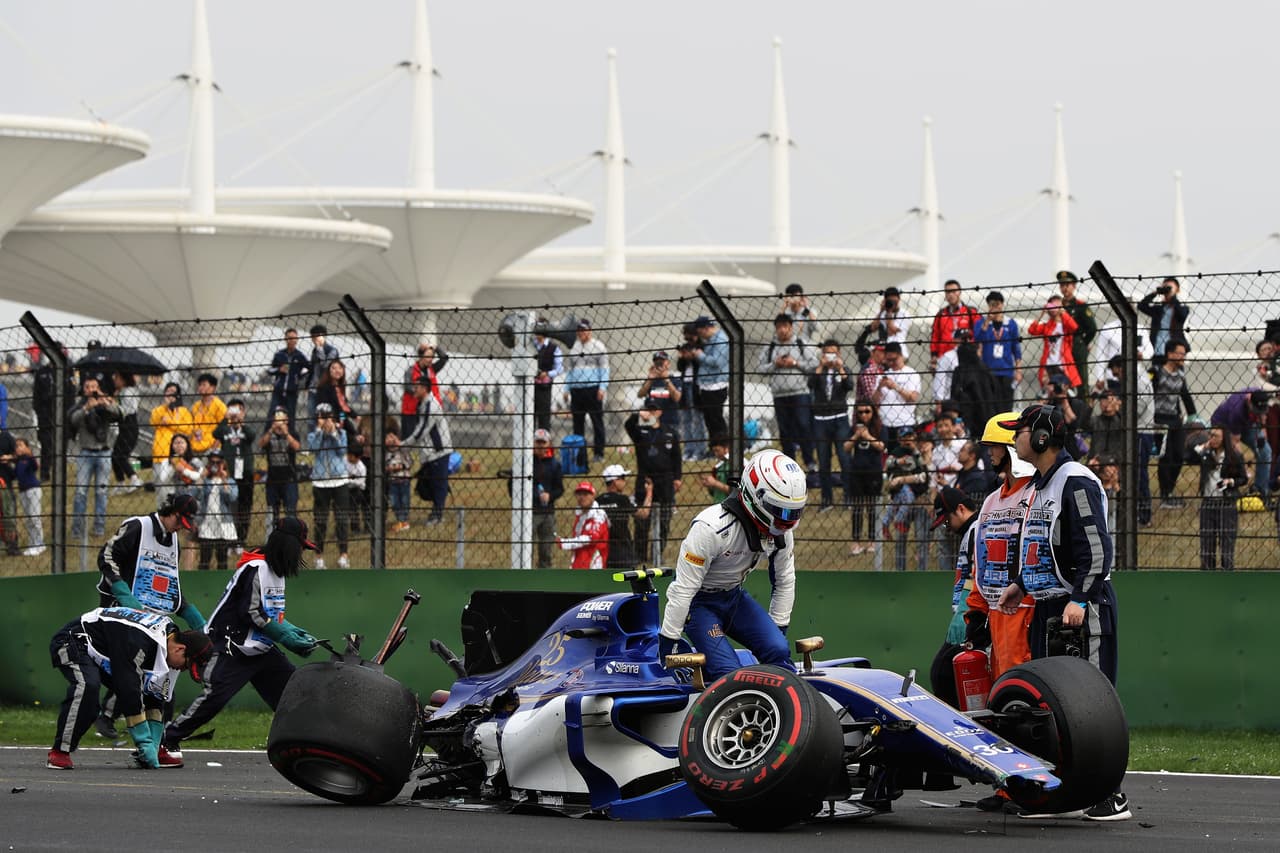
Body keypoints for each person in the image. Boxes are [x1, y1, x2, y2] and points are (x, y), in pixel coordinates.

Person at [994, 403, 1129, 822]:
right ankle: (1057, 792)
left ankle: (1111, 794)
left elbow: (1096, 549)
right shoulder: (1040, 484)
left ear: (1041, 437)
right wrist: (1020, 582)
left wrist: (1081, 598)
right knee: (1050, 703)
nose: (1015, 439)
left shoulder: (1076, 481)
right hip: (1049, 605)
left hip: (1079, 607)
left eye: (1020, 432)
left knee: (1092, 700)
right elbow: (1039, 542)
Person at [163, 518, 321, 758]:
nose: (301, 552)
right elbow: (250, 612)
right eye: (300, 546)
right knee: (214, 699)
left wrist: (294, 631)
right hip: (230, 645)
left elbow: (272, 615)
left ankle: (305, 744)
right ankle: (166, 739)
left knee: (291, 693)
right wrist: (285, 637)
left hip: (260, 648)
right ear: (287, 544)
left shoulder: (276, 572)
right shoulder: (256, 568)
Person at [658, 449, 806, 680]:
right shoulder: (710, 528)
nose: (787, 520)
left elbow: (785, 580)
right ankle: (705, 679)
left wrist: (779, 630)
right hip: (699, 605)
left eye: (795, 512)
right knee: (729, 674)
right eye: (782, 511)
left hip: (734, 599)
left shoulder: (782, 532)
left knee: (778, 650)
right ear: (756, 496)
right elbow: (683, 590)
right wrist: (669, 641)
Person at [94, 492, 205, 747]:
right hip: (120, 609)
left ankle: (113, 717)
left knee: (147, 670)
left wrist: (190, 613)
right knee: (132, 667)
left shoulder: (173, 541)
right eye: (180, 520)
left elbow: (168, 584)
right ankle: (108, 716)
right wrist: (123, 594)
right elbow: (106, 557)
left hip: (151, 617)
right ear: (171, 511)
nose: (180, 527)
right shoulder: (137, 526)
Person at [47, 607, 211, 770]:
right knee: (87, 687)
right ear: (179, 649)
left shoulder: (169, 641)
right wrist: (143, 740)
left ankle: (157, 749)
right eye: (187, 665)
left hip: (107, 651)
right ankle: (60, 751)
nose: (183, 670)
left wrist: (152, 745)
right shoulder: (140, 641)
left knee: (164, 696)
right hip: (74, 640)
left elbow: (156, 696)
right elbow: (128, 687)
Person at [625, 397, 682, 565]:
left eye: (654, 409)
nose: (651, 412)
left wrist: (678, 478)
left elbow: (677, 457)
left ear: (660, 412)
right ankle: (640, 556)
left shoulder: (670, 432)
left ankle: (657, 554)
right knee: (642, 521)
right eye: (648, 409)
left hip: (666, 480)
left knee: (664, 521)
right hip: (645, 478)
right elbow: (628, 425)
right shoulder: (639, 431)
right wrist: (637, 416)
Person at [757, 314, 818, 469]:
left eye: (786, 326)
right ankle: (789, 464)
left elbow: (814, 364)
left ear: (791, 327)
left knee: (804, 426)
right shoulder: (770, 347)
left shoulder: (801, 343)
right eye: (779, 327)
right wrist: (775, 364)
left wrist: (795, 363)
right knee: (785, 430)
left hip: (800, 392)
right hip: (779, 394)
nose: (782, 330)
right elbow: (760, 369)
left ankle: (809, 460)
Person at [69, 375, 122, 540]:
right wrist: (86, 408)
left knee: (101, 491)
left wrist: (106, 402)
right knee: (80, 492)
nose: (91, 390)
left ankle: (99, 528)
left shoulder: (105, 403)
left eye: (94, 386)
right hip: (85, 452)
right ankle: (77, 529)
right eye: (88, 387)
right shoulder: (80, 404)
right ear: (84, 390)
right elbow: (73, 420)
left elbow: (120, 413)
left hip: (104, 452)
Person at [1190, 425, 1248, 571]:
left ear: (1224, 439)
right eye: (1211, 435)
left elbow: (1243, 478)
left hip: (1226, 502)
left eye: (1216, 436)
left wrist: (1231, 482)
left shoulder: (1233, 456)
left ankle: (1227, 573)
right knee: (1207, 543)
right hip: (1208, 502)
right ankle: (1208, 573)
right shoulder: (1206, 453)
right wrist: (1203, 446)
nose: (1212, 439)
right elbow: (1187, 455)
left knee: (1227, 543)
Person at [306, 402, 350, 570]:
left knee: (341, 519)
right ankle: (318, 556)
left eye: (327, 416)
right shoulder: (313, 435)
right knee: (321, 521)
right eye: (321, 416)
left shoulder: (341, 433)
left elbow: (341, 450)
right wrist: (320, 431)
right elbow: (314, 449)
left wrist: (332, 432)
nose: (325, 420)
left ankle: (343, 555)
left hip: (340, 480)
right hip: (321, 481)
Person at [810, 339, 853, 510]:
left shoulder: (844, 369)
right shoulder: (817, 371)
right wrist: (821, 367)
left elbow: (849, 385)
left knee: (844, 457)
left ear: (839, 354)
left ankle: (848, 497)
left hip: (840, 418)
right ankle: (826, 499)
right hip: (821, 420)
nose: (830, 355)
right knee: (823, 460)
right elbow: (810, 384)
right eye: (827, 352)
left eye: (833, 352)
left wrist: (840, 368)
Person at [1211, 388, 1274, 502]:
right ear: (1249, 402)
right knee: (1232, 457)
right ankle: (1226, 489)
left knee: (1265, 451)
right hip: (1225, 425)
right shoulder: (1237, 410)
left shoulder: (1260, 395)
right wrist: (1242, 466)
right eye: (1256, 411)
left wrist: (1262, 435)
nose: (1260, 413)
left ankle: (1260, 490)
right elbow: (1235, 442)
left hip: (1248, 424)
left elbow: (1263, 417)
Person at [405, 376, 453, 525]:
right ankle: (437, 509)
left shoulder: (431, 406)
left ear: (425, 388)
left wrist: (402, 445)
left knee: (437, 485)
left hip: (438, 452)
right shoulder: (423, 404)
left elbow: (421, 432)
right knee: (426, 486)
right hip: (430, 453)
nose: (414, 389)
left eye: (417, 387)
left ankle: (437, 515)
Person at [1153, 340, 1196, 507]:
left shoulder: (1181, 373)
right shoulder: (1157, 372)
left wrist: (1193, 415)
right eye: (1180, 353)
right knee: (1166, 456)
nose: (1183, 357)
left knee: (1178, 455)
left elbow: (1184, 394)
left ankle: (1170, 490)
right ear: (1169, 354)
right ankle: (1165, 494)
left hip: (1175, 418)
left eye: (1184, 354)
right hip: (1159, 419)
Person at [212, 399, 255, 552]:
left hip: (246, 473)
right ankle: (230, 539)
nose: (236, 414)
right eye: (233, 410)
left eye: (239, 411)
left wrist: (241, 424)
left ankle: (241, 540)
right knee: (229, 507)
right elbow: (215, 433)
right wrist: (226, 418)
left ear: (243, 412)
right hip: (229, 474)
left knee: (244, 506)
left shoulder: (245, 429)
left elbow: (252, 436)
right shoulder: (225, 430)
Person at [565, 319, 610, 463]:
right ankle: (580, 454)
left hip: (593, 389)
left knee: (597, 422)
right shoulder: (574, 347)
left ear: (590, 331)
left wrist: (602, 387)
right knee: (577, 423)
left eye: (584, 330)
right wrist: (567, 388)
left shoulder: (598, 346)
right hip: (577, 390)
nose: (581, 333)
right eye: (579, 330)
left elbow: (604, 369)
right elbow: (570, 370)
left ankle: (599, 453)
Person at [845, 399, 886, 555]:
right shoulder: (854, 428)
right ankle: (856, 541)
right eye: (860, 412)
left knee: (872, 508)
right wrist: (856, 435)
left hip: (874, 472)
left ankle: (872, 540)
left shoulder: (880, 428)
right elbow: (846, 447)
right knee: (857, 508)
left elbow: (882, 446)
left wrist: (868, 436)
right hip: (857, 472)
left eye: (867, 411)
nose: (864, 415)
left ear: (873, 412)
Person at [973, 291, 1023, 412]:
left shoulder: (1010, 324)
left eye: (997, 304)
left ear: (1002, 304)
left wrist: (1018, 370)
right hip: (988, 371)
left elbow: (1016, 348)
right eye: (992, 304)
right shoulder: (982, 322)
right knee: (990, 406)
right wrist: (987, 323)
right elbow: (977, 339)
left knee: (1006, 406)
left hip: (1006, 371)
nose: (995, 307)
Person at [595, 464, 651, 569]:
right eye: (623, 478)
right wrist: (649, 492)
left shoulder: (598, 500)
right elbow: (644, 513)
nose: (625, 482)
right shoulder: (622, 500)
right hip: (622, 549)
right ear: (615, 481)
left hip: (602, 549)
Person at [1027, 295, 1081, 392]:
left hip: (1063, 365)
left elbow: (1074, 327)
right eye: (1052, 304)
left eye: (1057, 304)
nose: (1054, 307)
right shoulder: (1047, 326)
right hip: (1049, 365)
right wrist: (1042, 313)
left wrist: (1063, 312)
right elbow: (1032, 330)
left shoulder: (1065, 326)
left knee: (1066, 392)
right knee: (1049, 393)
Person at [259, 408, 301, 535]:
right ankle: (272, 537)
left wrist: (286, 433)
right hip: (273, 479)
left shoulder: (292, 432)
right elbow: (261, 444)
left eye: (281, 419)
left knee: (290, 511)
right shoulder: (269, 434)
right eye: (276, 418)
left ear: (286, 420)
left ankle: (292, 536)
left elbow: (297, 447)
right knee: (272, 511)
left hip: (289, 478)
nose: (279, 422)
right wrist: (271, 430)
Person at [195, 451, 239, 571]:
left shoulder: (230, 481)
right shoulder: (206, 481)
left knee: (222, 558)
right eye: (212, 462)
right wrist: (202, 477)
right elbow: (194, 494)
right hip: (207, 522)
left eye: (218, 462)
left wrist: (224, 479)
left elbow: (232, 498)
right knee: (205, 558)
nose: (215, 465)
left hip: (223, 522)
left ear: (223, 463)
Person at [1055, 271, 1098, 394]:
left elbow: (1092, 328)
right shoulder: (1057, 306)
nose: (1065, 288)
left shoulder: (1080, 306)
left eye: (1068, 285)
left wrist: (1083, 343)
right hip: (1060, 345)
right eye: (1062, 285)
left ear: (1074, 286)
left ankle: (1082, 407)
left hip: (1076, 345)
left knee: (1080, 380)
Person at [529, 428, 564, 569]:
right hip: (529, 511)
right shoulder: (526, 462)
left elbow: (560, 488)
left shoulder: (555, 465)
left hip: (548, 512)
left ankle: (545, 572)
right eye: (538, 442)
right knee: (526, 546)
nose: (540, 445)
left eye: (543, 442)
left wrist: (550, 495)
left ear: (549, 444)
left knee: (546, 548)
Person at [929, 278, 982, 370]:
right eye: (948, 292)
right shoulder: (941, 314)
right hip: (944, 357)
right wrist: (934, 356)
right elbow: (935, 336)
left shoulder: (971, 312)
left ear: (960, 292)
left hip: (966, 357)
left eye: (954, 291)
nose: (951, 294)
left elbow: (978, 334)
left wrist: (976, 350)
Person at [874, 342, 921, 443]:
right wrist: (879, 387)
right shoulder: (883, 375)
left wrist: (896, 387)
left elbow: (913, 397)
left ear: (901, 356)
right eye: (888, 360)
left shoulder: (912, 374)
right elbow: (874, 401)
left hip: (904, 422)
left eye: (894, 359)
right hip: (885, 424)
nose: (891, 363)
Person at [692, 315, 730, 442]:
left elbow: (717, 361)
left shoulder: (721, 340)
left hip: (716, 385)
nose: (700, 336)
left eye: (700, 332)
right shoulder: (710, 340)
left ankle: (722, 444)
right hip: (707, 384)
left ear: (706, 328)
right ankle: (715, 445)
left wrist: (700, 356)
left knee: (715, 418)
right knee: (709, 419)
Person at [401, 342, 448, 440]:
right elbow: (407, 386)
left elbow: (444, 358)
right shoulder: (411, 370)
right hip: (412, 411)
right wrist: (421, 392)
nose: (431, 359)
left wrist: (435, 347)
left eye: (432, 357)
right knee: (409, 438)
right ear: (421, 356)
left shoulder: (432, 369)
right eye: (428, 356)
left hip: (430, 409)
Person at [557, 481, 610, 569]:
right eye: (579, 494)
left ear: (593, 496)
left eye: (585, 494)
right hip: (579, 562)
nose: (582, 497)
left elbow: (591, 538)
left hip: (594, 564)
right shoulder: (580, 516)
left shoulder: (598, 515)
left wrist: (566, 543)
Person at [1137, 276, 1189, 356]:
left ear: (1177, 290)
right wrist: (1155, 293)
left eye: (1169, 287)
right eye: (1165, 287)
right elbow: (1141, 306)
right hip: (1157, 347)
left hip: (1174, 349)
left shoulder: (1182, 308)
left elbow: (1181, 315)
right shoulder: (1158, 309)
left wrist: (1172, 297)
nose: (1167, 289)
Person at [269, 328, 309, 431]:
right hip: (278, 390)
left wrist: (299, 377)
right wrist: (279, 369)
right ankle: (268, 439)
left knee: (290, 418)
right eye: (290, 338)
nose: (292, 341)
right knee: (272, 416)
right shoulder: (279, 355)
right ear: (285, 339)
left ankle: (290, 441)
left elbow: (309, 368)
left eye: (295, 338)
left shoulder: (300, 356)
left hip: (292, 392)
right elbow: (270, 370)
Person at [109, 371, 143, 493]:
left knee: (121, 455)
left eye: (117, 377)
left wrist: (114, 404)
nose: (114, 379)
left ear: (123, 379)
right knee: (115, 456)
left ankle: (134, 478)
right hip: (124, 426)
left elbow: (128, 410)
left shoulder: (128, 392)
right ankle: (120, 482)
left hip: (130, 426)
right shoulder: (122, 392)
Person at [150, 382, 193, 469]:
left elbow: (188, 429)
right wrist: (167, 406)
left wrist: (170, 423)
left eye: (173, 391)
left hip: (179, 451)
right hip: (161, 451)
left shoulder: (183, 411)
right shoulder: (158, 410)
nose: (170, 393)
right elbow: (154, 422)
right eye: (168, 391)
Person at [636, 350, 682, 431]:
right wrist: (650, 379)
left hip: (669, 421)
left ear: (668, 363)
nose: (659, 364)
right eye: (656, 362)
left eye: (661, 362)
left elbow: (677, 398)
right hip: (651, 420)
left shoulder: (675, 380)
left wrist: (666, 379)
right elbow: (640, 394)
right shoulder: (651, 380)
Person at [154, 433, 202, 509]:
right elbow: (164, 480)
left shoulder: (195, 460)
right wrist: (174, 466)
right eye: (176, 443)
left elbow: (199, 477)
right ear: (172, 446)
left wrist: (184, 470)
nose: (179, 445)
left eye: (182, 442)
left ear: (187, 445)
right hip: (173, 496)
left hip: (193, 495)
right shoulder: (166, 462)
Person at [14, 437, 45, 556]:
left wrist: (30, 454)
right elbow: (15, 475)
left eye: (21, 445)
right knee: (28, 519)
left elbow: (35, 466)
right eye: (16, 446)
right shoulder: (18, 462)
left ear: (27, 447)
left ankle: (39, 543)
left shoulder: (29, 459)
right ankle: (32, 543)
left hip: (33, 489)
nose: (18, 448)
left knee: (34, 517)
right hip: (23, 491)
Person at [868, 286, 911, 360]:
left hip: (899, 351)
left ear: (899, 299)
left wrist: (889, 313)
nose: (892, 304)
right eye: (890, 301)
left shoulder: (905, 314)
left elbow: (891, 331)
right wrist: (881, 311)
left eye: (895, 301)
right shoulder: (883, 312)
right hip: (883, 352)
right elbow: (873, 328)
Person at [532, 326, 563, 432]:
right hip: (530, 385)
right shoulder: (531, 345)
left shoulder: (554, 348)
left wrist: (547, 374)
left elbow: (559, 369)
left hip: (545, 387)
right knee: (529, 417)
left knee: (544, 419)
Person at [305, 324, 339, 417]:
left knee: (324, 416)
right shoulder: (315, 351)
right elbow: (313, 369)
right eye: (312, 337)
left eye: (315, 336)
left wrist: (319, 348)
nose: (313, 339)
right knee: (311, 417)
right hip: (313, 388)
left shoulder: (332, 351)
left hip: (325, 389)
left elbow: (326, 366)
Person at [188, 373, 226, 456]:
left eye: (204, 385)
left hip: (211, 448)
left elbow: (223, 428)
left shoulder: (219, 406)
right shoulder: (195, 406)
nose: (201, 387)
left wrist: (214, 448)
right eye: (200, 385)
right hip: (195, 447)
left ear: (213, 387)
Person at [385, 429, 414, 531]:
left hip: (404, 480)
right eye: (389, 438)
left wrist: (401, 466)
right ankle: (400, 520)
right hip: (393, 481)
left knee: (404, 501)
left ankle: (404, 521)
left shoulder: (403, 451)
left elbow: (410, 463)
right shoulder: (386, 454)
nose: (391, 441)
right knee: (394, 502)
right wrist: (388, 469)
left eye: (393, 438)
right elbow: (384, 466)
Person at [698, 434, 733, 502]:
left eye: (717, 450)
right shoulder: (717, 467)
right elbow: (714, 494)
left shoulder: (735, 465)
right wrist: (709, 485)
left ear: (726, 448)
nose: (716, 454)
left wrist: (715, 483)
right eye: (714, 451)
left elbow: (737, 492)